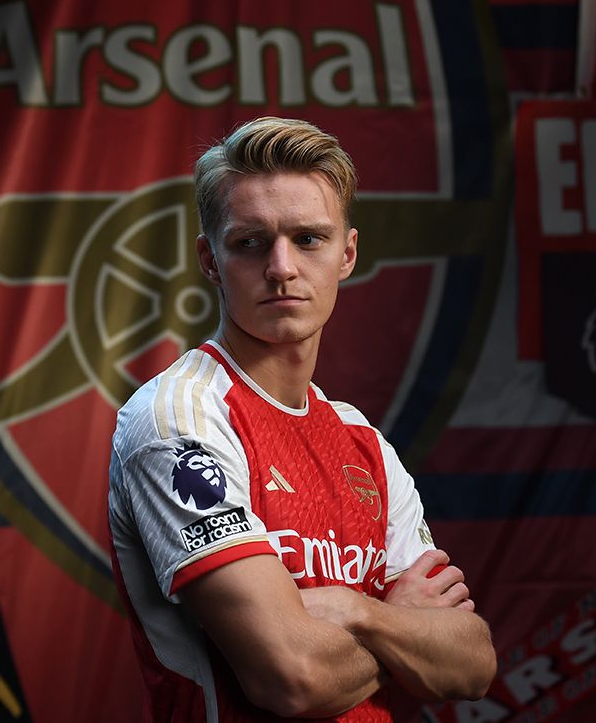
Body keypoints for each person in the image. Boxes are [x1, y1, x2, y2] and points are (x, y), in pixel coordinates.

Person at [107, 117, 496, 721]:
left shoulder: (360, 439)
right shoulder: (181, 418)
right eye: (251, 242)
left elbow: (471, 664)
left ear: (348, 253)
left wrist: (356, 610)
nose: (282, 267)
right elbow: (293, 677)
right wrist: (400, 616)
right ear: (210, 260)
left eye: (308, 239)